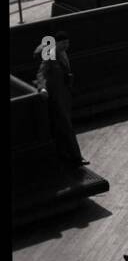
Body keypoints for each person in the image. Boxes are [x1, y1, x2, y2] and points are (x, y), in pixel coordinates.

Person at [35, 31, 87, 167]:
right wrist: (42, 88)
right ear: (56, 43)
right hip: (57, 97)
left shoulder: (62, 53)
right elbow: (41, 73)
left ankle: (65, 156)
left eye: (67, 43)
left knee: (62, 127)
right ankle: (76, 157)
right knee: (67, 127)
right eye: (63, 43)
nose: (66, 46)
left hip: (64, 96)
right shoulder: (50, 55)